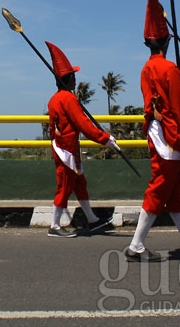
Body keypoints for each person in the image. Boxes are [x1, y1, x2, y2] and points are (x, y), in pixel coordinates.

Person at [125, 0, 180, 262]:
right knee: (161, 186)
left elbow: (152, 105)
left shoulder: (146, 68)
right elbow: (179, 109)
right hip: (170, 136)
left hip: (157, 132)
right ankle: (136, 245)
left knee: (175, 188)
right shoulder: (170, 69)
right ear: (167, 40)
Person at [44, 41, 121, 238]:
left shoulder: (54, 99)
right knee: (65, 186)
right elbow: (84, 125)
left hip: (64, 147)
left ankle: (93, 220)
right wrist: (105, 139)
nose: (76, 80)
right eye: (74, 76)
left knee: (79, 183)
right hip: (66, 150)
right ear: (68, 79)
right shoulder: (69, 99)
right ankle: (54, 225)